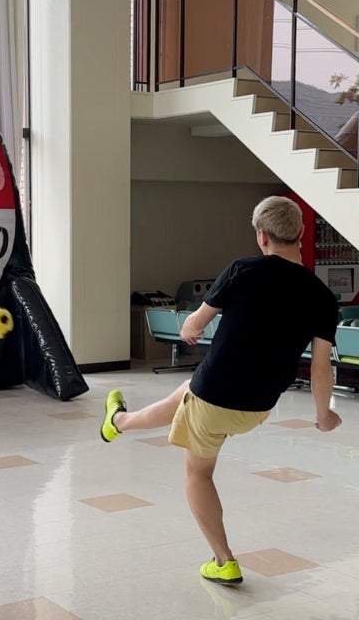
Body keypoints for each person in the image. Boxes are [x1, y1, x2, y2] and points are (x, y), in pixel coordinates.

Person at [100, 195, 341, 586]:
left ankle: (223, 561)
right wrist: (322, 414)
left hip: (215, 395)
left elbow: (194, 324)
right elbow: (320, 368)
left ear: (262, 236)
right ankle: (119, 421)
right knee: (184, 395)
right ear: (300, 232)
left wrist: (189, 330)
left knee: (198, 474)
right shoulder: (322, 297)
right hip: (258, 406)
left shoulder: (242, 270)